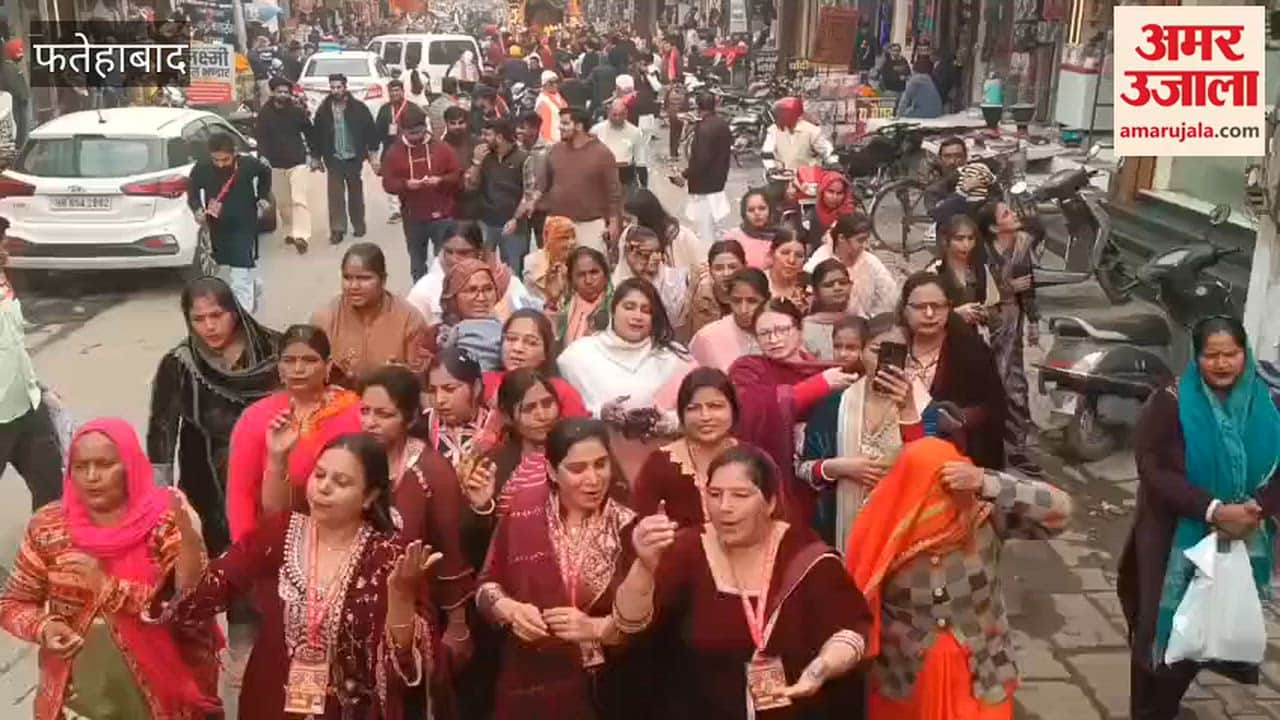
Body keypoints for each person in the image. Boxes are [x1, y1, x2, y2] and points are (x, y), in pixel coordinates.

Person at [165, 432, 436, 720]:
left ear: (369, 496)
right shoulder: (279, 533)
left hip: (350, 710)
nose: (324, 488)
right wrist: (189, 538)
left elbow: (408, 667)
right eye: (319, 476)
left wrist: (401, 602)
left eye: (341, 482)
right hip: (271, 700)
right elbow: (207, 593)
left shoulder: (389, 558)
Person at [616, 445, 873, 718]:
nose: (725, 507)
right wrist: (643, 565)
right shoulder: (687, 550)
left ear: (771, 502)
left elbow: (852, 629)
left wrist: (820, 668)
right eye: (714, 495)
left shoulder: (806, 557)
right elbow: (630, 624)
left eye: (740, 495)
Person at [0, 418, 220, 720]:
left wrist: (108, 588)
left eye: (104, 465)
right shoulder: (49, 527)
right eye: (81, 466)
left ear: (129, 465)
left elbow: (190, 611)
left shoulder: (164, 523)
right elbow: (13, 603)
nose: (91, 477)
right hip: (76, 701)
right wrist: (44, 627)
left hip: (160, 700)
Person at [1118, 316, 1280, 720]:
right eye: (1212, 355)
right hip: (1172, 534)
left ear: (1245, 354)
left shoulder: (1266, 405)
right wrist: (1212, 509)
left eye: (1231, 354)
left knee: (1203, 628)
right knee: (1159, 626)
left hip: (1238, 535)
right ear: (1196, 356)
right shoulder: (1171, 401)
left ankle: (1165, 706)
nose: (1222, 364)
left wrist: (1257, 508)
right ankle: (1147, 711)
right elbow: (1152, 468)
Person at [849, 437, 1071, 720]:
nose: (945, 500)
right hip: (903, 680)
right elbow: (857, 602)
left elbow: (1060, 512)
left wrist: (986, 481)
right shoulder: (884, 530)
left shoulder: (985, 515)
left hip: (985, 672)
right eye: (935, 489)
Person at [476, 417, 637, 719]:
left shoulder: (629, 523)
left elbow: (653, 616)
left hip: (609, 688)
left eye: (601, 464)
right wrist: (508, 609)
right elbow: (486, 585)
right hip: (530, 684)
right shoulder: (524, 509)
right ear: (552, 470)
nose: (593, 478)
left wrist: (599, 629)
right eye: (577, 469)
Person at [148, 277, 280, 556]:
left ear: (234, 311)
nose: (209, 326)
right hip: (205, 475)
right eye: (198, 319)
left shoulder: (277, 351)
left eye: (216, 315)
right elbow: (162, 432)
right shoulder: (179, 364)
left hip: (272, 470)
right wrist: (161, 502)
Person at [356, 366, 475, 674]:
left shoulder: (432, 473)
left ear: (409, 418)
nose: (370, 422)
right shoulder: (350, 461)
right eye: (365, 411)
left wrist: (458, 624)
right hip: (354, 610)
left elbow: (451, 552)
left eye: (383, 414)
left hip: (416, 614)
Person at [226, 324, 362, 541]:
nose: (298, 369)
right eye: (289, 361)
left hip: (344, 539)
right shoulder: (255, 418)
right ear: (279, 369)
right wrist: (245, 551)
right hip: (276, 540)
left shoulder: (354, 413)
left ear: (328, 367)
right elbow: (241, 496)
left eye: (309, 360)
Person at [729, 298, 856, 525]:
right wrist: (818, 386)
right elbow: (747, 409)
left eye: (782, 330)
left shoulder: (826, 370)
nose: (774, 339)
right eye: (765, 333)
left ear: (799, 329)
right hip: (770, 478)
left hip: (822, 481)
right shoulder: (748, 369)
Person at [801, 315, 923, 550]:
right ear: (862, 352)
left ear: (908, 358)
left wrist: (907, 409)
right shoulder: (833, 404)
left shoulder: (925, 407)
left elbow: (929, 468)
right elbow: (804, 469)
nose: (884, 362)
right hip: (840, 529)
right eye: (877, 350)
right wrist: (838, 467)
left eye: (896, 353)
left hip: (902, 529)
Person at [558, 277, 695, 481]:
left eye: (645, 310)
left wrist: (670, 422)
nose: (637, 316)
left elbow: (699, 410)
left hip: (663, 465)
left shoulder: (675, 358)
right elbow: (564, 415)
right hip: (598, 468)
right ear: (613, 310)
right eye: (629, 307)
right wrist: (601, 414)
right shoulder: (578, 357)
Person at [897, 272, 1007, 469]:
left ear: (949, 308)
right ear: (904, 309)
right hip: (896, 454)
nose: (929, 314)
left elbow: (993, 406)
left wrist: (957, 419)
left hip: (953, 460)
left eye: (937, 306)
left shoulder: (971, 351)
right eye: (920, 307)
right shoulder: (891, 345)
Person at [0, 217, 62, 510]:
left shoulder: (4, 279)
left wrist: (40, 387)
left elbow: (13, 344)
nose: (5, 247)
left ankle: (47, 548)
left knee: (52, 488)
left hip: (26, 404)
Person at [978, 201, 1041, 476]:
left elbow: (1028, 286)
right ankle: (990, 448)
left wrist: (1034, 321)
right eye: (1006, 213)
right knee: (991, 382)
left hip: (1012, 323)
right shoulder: (982, 253)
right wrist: (1006, 287)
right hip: (989, 323)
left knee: (1015, 385)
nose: (1013, 214)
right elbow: (979, 291)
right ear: (994, 227)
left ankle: (1017, 449)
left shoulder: (1022, 245)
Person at [632, 367, 739, 528]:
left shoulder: (753, 460)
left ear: (733, 409)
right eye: (693, 408)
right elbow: (637, 526)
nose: (705, 417)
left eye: (715, 406)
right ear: (681, 415)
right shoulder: (659, 465)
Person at [311, 243, 428, 384]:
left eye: (364, 278)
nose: (354, 286)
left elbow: (421, 381)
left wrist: (399, 376)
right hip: (338, 401)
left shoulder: (409, 319)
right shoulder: (325, 318)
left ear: (383, 280)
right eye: (347, 278)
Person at [187, 133, 272, 312]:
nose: (220, 164)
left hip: (244, 223)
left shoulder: (248, 164)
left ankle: (244, 319)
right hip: (218, 225)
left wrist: (263, 198)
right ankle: (253, 285)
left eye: (225, 159)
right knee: (231, 264)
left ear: (234, 154)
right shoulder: (202, 168)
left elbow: (266, 172)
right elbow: (193, 193)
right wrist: (197, 210)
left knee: (239, 271)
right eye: (216, 160)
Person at [406, 222, 539, 327]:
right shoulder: (425, 289)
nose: (454, 259)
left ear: (479, 252)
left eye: (463, 253)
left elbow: (529, 322)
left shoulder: (506, 282)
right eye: (449, 251)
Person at [381, 113, 462, 283]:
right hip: (413, 217)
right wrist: (405, 185)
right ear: (403, 131)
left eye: (419, 132)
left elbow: (456, 175)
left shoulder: (442, 148)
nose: (415, 137)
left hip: (443, 215)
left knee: (448, 262)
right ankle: (420, 298)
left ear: (425, 127)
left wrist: (441, 180)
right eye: (411, 134)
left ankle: (448, 297)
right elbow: (388, 183)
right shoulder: (394, 153)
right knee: (417, 264)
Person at [540, 107, 623, 255]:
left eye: (565, 123)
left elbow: (614, 192)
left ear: (579, 126)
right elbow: (543, 185)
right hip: (558, 224)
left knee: (591, 270)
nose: (560, 127)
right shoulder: (555, 151)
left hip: (590, 226)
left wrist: (614, 223)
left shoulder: (603, 154)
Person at [482, 308, 589, 417]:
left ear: (545, 353)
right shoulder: (484, 383)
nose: (517, 348)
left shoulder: (562, 392)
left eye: (531, 343)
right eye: (511, 339)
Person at [313, 73, 379, 245]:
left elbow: (370, 130)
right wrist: (316, 156)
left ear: (345, 87)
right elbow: (316, 134)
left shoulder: (358, 108)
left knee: (355, 193)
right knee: (335, 195)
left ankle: (358, 224)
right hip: (333, 157)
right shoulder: (324, 110)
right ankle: (337, 229)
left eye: (338, 87)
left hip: (353, 157)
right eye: (332, 87)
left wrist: (372, 154)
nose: (335, 90)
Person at [256, 76, 316, 253]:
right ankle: (289, 231)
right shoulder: (264, 114)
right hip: (275, 164)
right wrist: (262, 155)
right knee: (283, 203)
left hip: (297, 162)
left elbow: (310, 132)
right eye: (280, 92)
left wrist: (314, 154)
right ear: (273, 93)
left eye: (286, 92)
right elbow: (261, 137)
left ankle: (302, 236)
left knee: (299, 199)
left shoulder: (297, 111)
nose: (283, 95)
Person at [466, 118, 530, 276]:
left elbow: (528, 193)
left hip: (513, 226)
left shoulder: (524, 158)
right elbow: (471, 185)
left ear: (500, 137)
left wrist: (516, 219)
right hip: (487, 223)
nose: (483, 139)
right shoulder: (484, 157)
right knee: (486, 270)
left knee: (513, 273)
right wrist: (476, 163)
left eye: (487, 135)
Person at [805, 214, 900, 319]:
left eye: (867, 240)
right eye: (860, 240)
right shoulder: (819, 262)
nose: (866, 246)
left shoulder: (870, 261)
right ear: (841, 238)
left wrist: (872, 321)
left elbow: (889, 296)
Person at [925, 215, 1000, 340]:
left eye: (970, 238)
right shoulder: (935, 272)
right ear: (946, 240)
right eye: (959, 239)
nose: (966, 244)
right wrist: (956, 314)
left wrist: (984, 313)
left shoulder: (981, 271)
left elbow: (995, 309)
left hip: (976, 341)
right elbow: (925, 313)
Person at [677, 92, 733, 248]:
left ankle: (707, 260)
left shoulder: (703, 128)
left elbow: (701, 160)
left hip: (704, 186)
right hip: (718, 181)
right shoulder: (722, 124)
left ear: (698, 107)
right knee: (714, 226)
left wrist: (685, 174)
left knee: (705, 231)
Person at [611, 225, 691, 331]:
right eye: (647, 253)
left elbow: (675, 321)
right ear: (628, 253)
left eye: (658, 251)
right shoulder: (612, 284)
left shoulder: (675, 281)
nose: (657, 258)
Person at [690, 267, 766, 372]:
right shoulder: (708, 337)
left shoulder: (779, 332)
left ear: (766, 300)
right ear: (729, 300)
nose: (743, 309)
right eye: (737, 301)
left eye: (752, 301)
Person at [373, 79, 424, 225]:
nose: (394, 93)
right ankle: (395, 211)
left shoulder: (414, 109)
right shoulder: (384, 110)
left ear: (402, 91)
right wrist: (374, 153)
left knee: (411, 177)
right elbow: (378, 131)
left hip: (411, 149)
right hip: (391, 149)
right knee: (390, 178)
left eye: (397, 90)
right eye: (392, 91)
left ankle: (412, 206)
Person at [686, 239, 745, 336]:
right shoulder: (701, 300)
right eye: (719, 268)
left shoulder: (755, 296)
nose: (726, 273)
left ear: (744, 266)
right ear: (710, 270)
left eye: (732, 267)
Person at [762, 96, 836, 173]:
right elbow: (767, 152)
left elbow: (826, 150)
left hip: (807, 176)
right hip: (781, 174)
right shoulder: (773, 130)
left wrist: (833, 163)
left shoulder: (811, 131)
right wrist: (771, 167)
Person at [557, 246, 613, 345]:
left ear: (606, 275)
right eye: (581, 275)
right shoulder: (565, 310)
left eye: (594, 272)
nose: (588, 280)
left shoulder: (616, 306)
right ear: (571, 280)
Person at [803, 259, 852, 361]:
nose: (837, 288)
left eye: (843, 283)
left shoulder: (859, 321)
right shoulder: (805, 329)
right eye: (829, 285)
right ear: (816, 292)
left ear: (851, 286)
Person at [592, 99, 645, 189]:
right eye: (614, 115)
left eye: (621, 115)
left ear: (626, 114)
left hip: (625, 176)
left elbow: (640, 160)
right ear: (608, 113)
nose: (618, 118)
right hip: (602, 175)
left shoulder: (635, 132)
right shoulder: (596, 130)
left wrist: (643, 186)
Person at [523, 214, 575, 303]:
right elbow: (551, 294)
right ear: (548, 238)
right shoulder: (533, 261)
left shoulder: (575, 261)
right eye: (564, 238)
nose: (571, 243)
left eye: (573, 237)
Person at [722, 189, 779, 269]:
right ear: (744, 213)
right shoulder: (732, 238)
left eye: (762, 208)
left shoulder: (781, 238)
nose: (757, 213)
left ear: (770, 210)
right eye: (751, 210)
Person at [803, 173, 856, 252]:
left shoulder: (851, 218)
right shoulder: (812, 216)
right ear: (822, 191)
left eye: (839, 193)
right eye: (830, 192)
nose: (834, 197)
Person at [767, 227, 809, 312]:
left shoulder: (811, 285)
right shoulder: (757, 284)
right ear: (771, 254)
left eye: (799, 255)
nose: (792, 260)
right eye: (785, 253)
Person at [535, 70, 568, 143]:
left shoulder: (559, 96)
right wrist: (548, 143)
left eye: (556, 82)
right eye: (551, 83)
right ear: (544, 85)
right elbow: (542, 125)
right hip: (551, 142)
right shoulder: (542, 101)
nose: (555, 85)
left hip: (563, 139)